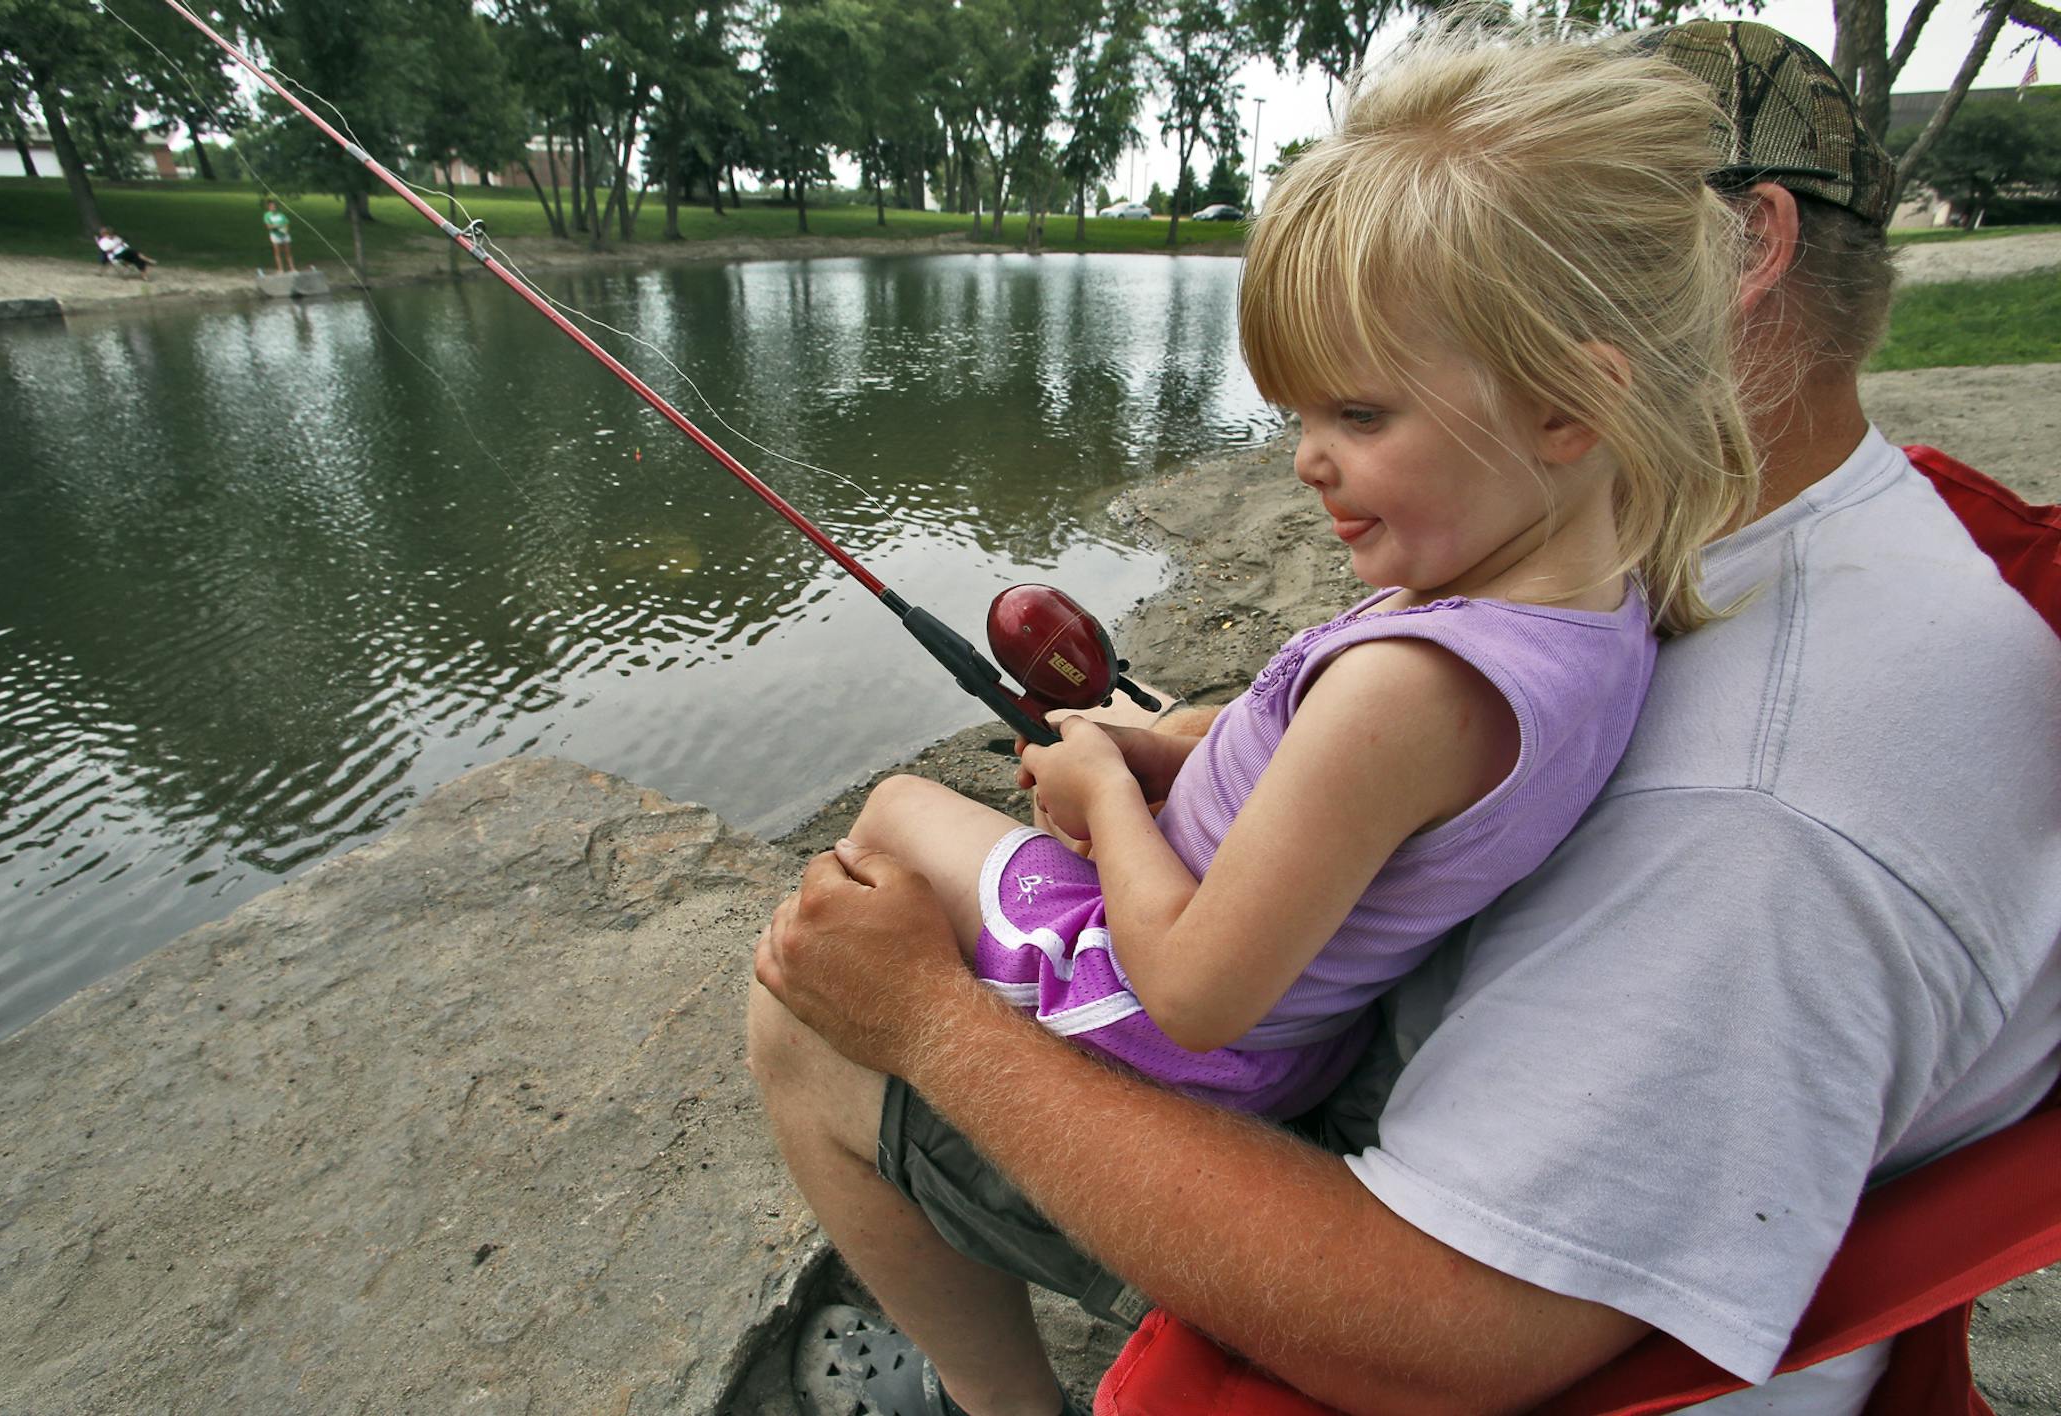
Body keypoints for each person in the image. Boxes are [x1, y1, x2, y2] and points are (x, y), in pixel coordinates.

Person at [750, 20, 2061, 1416]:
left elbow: (1444, 1339)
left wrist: (930, 1026)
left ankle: (995, 1400)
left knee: (814, 1016)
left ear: (1743, 253)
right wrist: (1204, 743)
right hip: (1428, 1053)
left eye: (1588, 209)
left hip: (1367, 1193)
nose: (1310, 455)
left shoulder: (1765, 813)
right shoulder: (1712, 556)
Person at [822, 29, 1755, 1134]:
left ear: (1566, 409)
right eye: (1298, 415)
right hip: (1301, 1013)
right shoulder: (1579, 596)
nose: (1307, 460)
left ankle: (947, 1127)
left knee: (893, 813)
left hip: (1168, 1025)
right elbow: (1344, 806)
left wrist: (1109, 802)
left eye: (1358, 415)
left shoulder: (1413, 690)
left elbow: (1196, 993)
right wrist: (1170, 755)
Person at [263, 199, 294, 274]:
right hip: (275, 235)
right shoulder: (267, 215)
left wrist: (286, 229)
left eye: (275, 206)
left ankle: (292, 268)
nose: (274, 207)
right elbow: (268, 226)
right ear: (269, 207)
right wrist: (277, 226)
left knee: (288, 252)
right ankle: (280, 269)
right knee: (277, 252)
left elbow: (286, 223)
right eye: (272, 206)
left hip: (284, 235)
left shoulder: (281, 214)